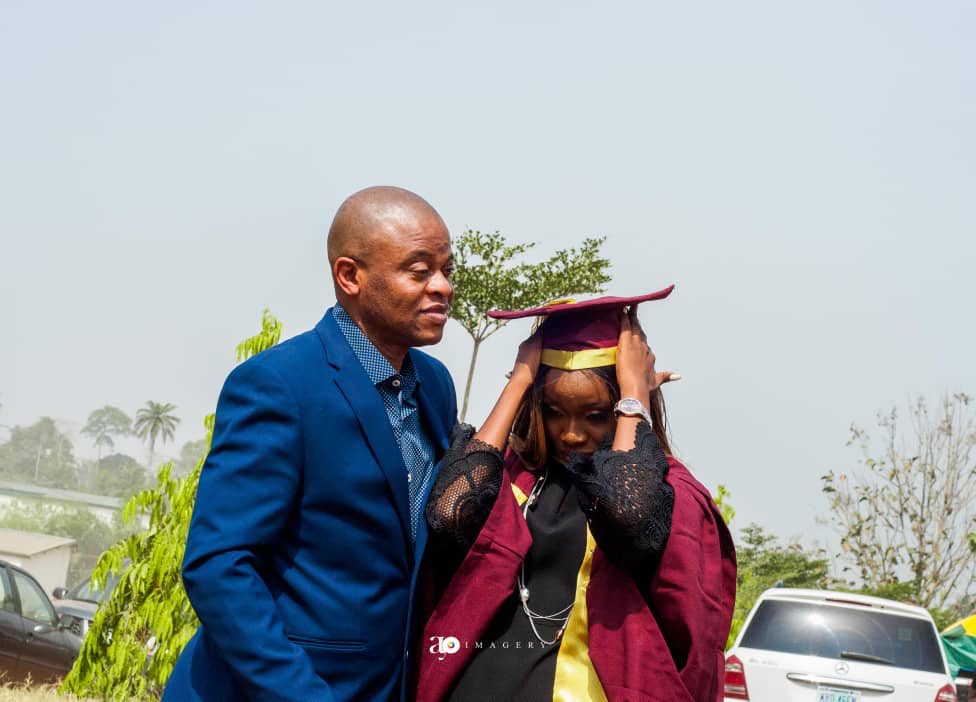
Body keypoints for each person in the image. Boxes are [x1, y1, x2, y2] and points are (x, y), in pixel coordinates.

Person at [163, 186, 458, 702]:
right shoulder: (279, 385)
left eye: (447, 270)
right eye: (419, 271)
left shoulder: (435, 385)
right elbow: (219, 565)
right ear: (350, 276)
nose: (442, 287)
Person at [414, 291, 736, 702]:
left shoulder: (669, 494)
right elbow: (448, 517)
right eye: (553, 410)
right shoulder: (511, 475)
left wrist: (635, 397)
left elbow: (629, 520)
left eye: (595, 415)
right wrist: (520, 380)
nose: (570, 433)